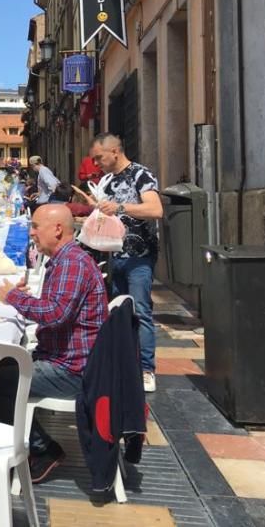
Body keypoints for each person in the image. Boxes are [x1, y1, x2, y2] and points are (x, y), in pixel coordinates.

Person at [0, 204, 107, 483]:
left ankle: (43, 450)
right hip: (68, 359)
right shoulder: (66, 259)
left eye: (35, 226)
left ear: (57, 229)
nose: (31, 232)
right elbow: (56, 308)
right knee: (0, 367)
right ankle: (20, 444)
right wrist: (27, 299)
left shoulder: (71, 262)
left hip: (74, 371)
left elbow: (55, 314)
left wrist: (14, 299)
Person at [88, 132, 163, 393]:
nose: (97, 163)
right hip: (115, 255)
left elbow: (156, 210)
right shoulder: (107, 181)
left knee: (140, 311)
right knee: (118, 312)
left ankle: (146, 369)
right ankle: (123, 363)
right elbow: (107, 215)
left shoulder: (141, 175)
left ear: (115, 152)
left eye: (99, 157)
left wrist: (119, 207)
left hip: (139, 256)